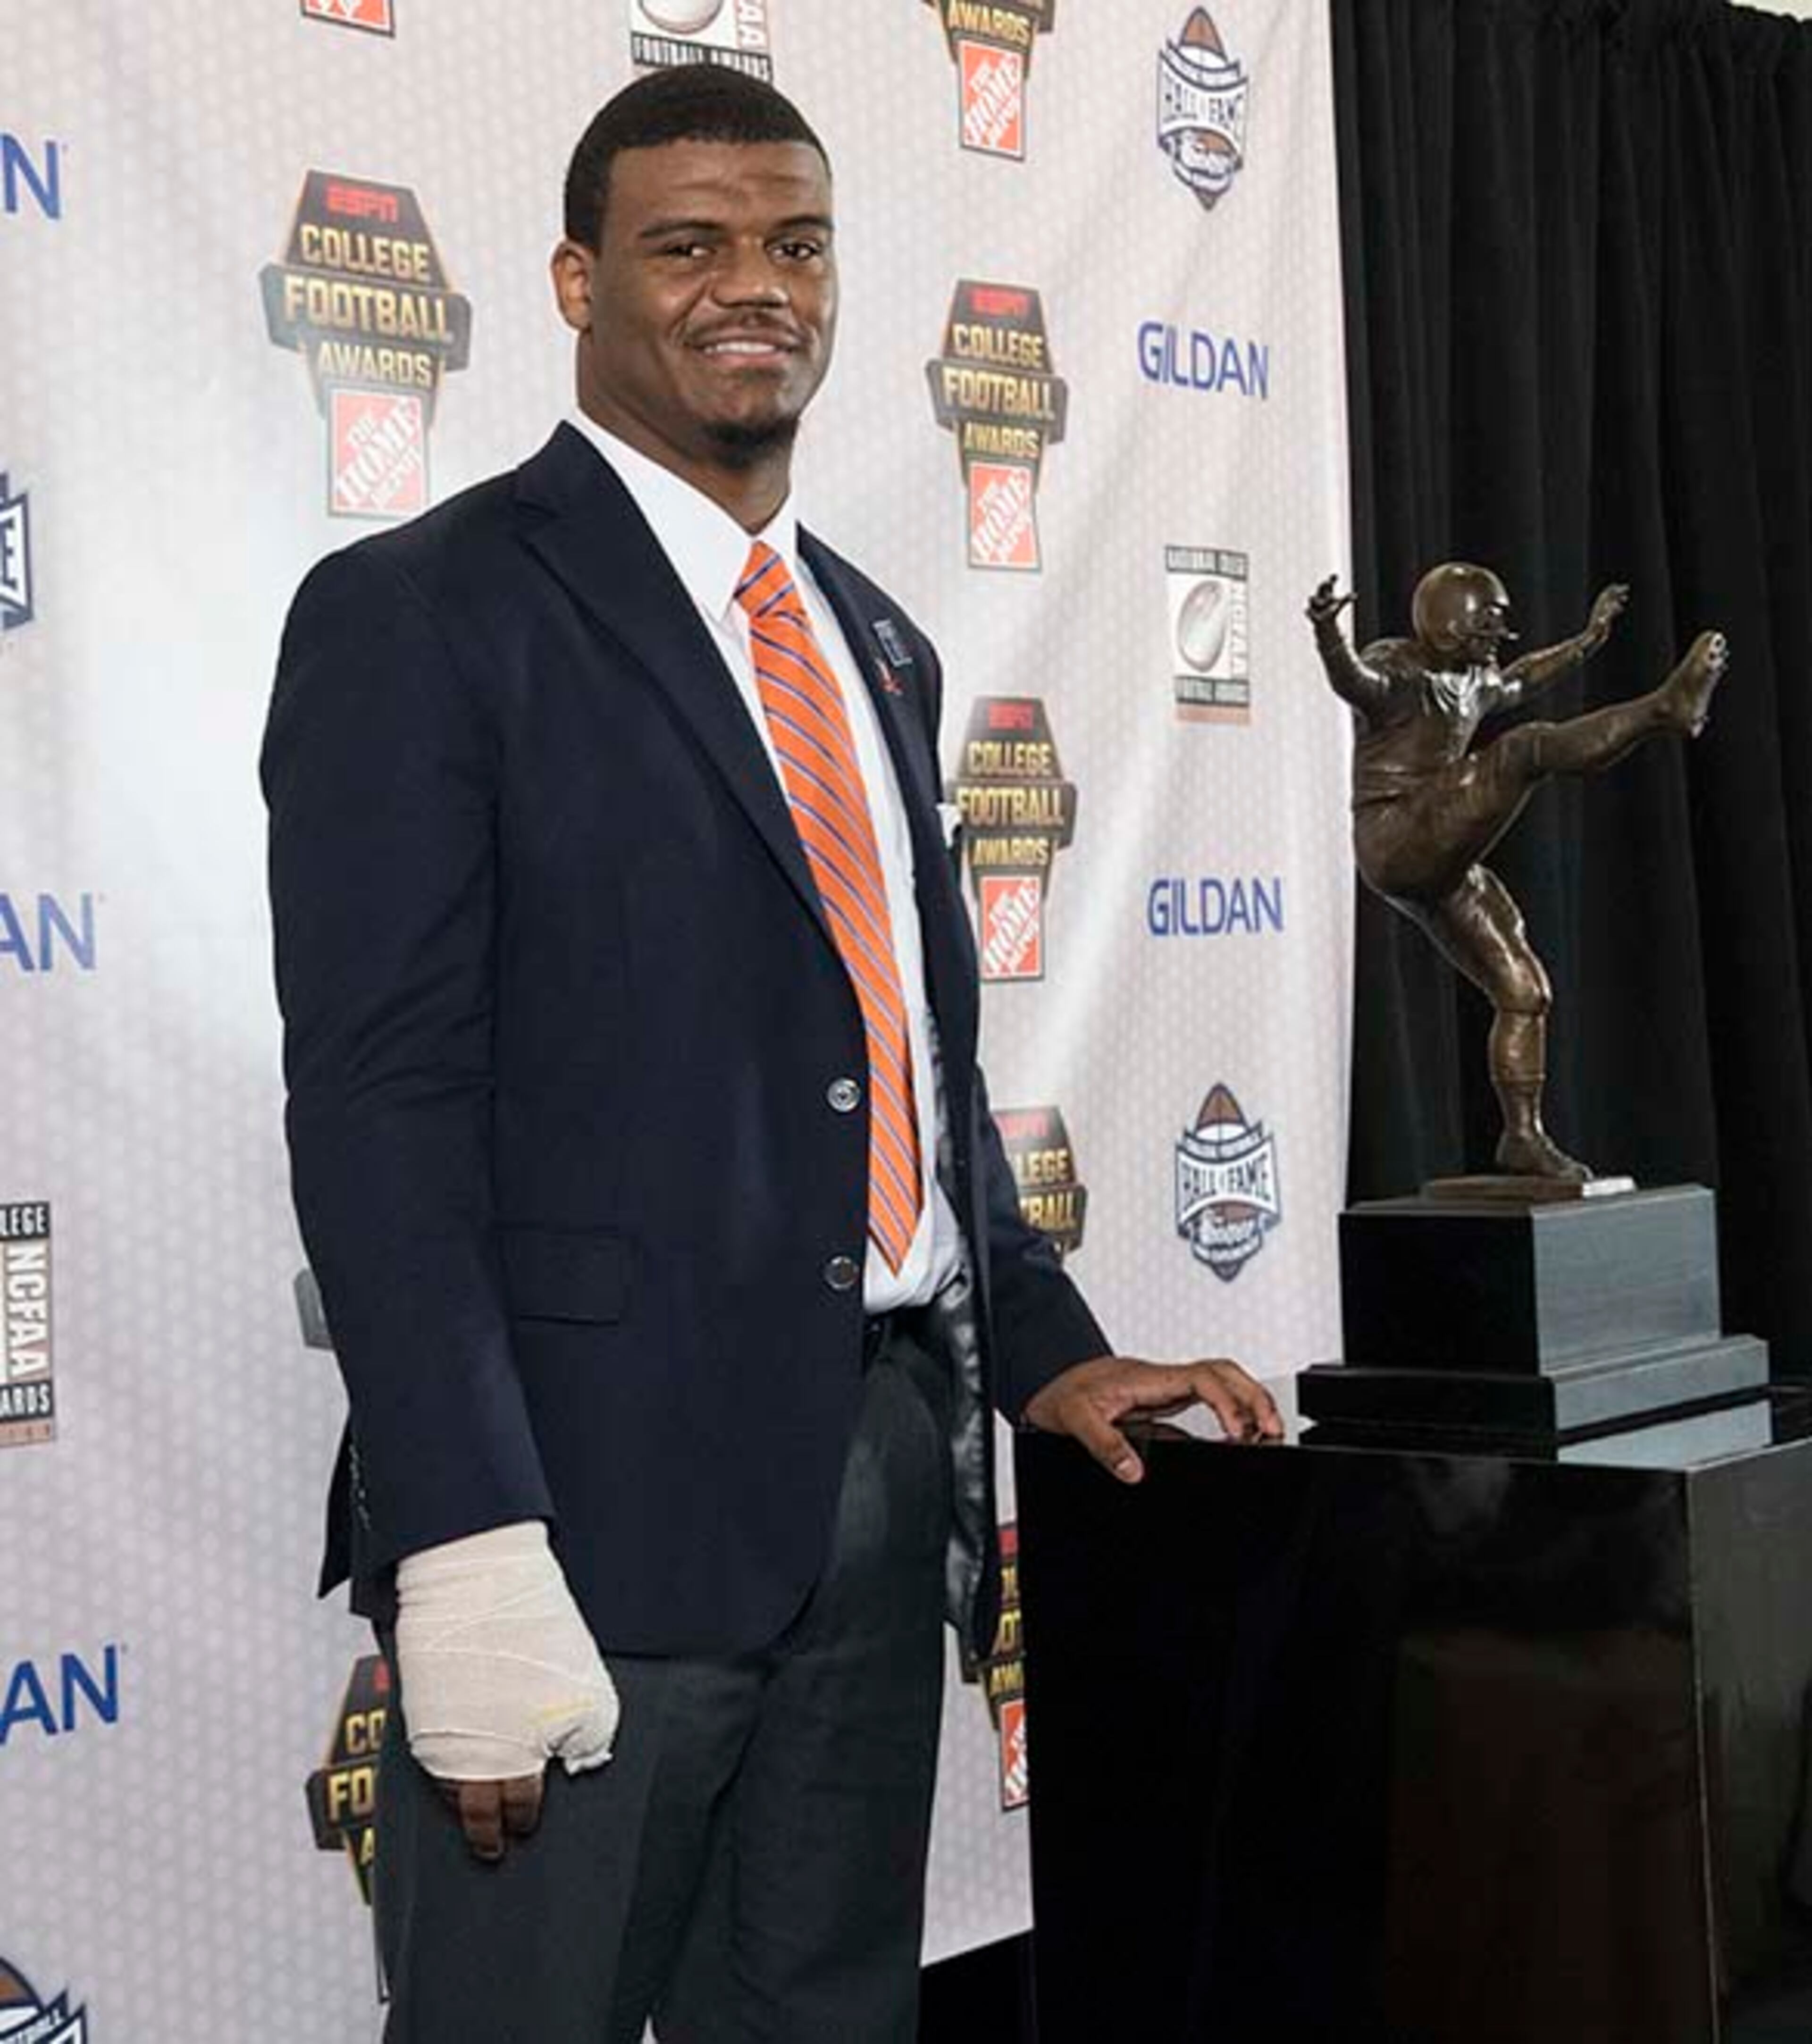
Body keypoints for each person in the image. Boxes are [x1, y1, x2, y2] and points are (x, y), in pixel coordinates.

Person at [264, 65, 1281, 2044]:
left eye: (796, 241)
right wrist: (468, 1542)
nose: (757, 285)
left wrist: (1048, 1342)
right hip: (580, 1510)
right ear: (576, 279)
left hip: (883, 1478)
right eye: (691, 244)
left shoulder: (873, 640)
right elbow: (379, 1112)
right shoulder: (424, 612)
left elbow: (898, 1063)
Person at [1308, 564, 1727, 1180]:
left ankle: (1522, 1136)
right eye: (1488, 619)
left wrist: (1587, 640)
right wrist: (1327, 634)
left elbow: (1524, 677)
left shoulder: (1475, 682)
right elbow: (1354, 682)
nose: (1499, 633)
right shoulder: (1398, 671)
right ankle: (1664, 709)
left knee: (1524, 991)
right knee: (1525, 748)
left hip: (1441, 854)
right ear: (1449, 619)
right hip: (1397, 835)